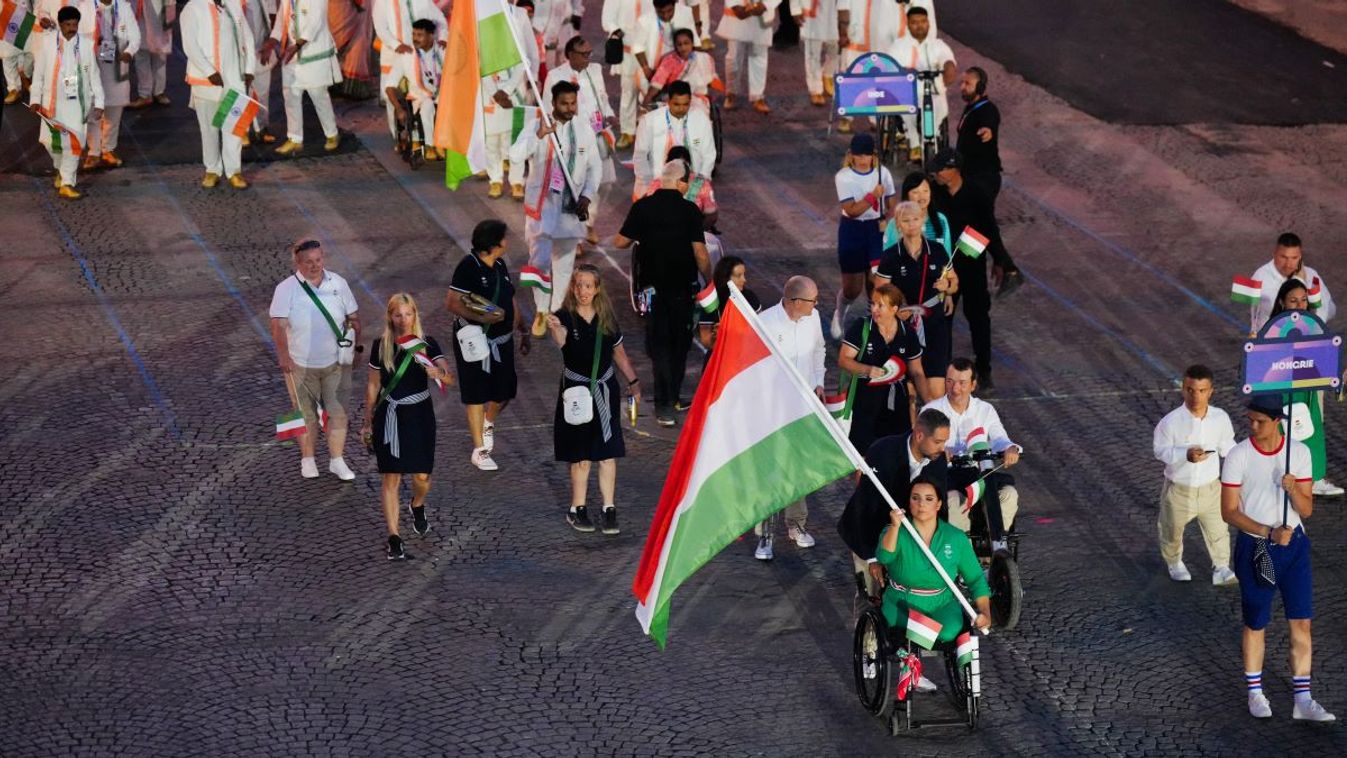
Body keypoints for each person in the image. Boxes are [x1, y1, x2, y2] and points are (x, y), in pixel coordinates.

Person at [1220, 396, 1333, 722]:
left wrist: (1293, 490)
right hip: (1255, 548)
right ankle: (1255, 692)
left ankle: (1303, 699)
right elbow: (1229, 511)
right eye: (1250, 420)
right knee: (1256, 623)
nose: (1253, 427)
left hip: (1294, 548)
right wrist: (1268, 532)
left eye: (1260, 422)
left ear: (1277, 422)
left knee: (1302, 622)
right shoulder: (1238, 455)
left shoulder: (1298, 453)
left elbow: (1307, 509)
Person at [614, 158, 712, 426]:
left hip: (649, 291)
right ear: (681, 183)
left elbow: (619, 241)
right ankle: (673, 399)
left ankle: (663, 405)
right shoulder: (690, 211)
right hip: (681, 289)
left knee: (658, 345)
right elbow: (700, 253)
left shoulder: (642, 207)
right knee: (678, 344)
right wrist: (710, 279)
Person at [546, 264, 642, 534]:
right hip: (576, 394)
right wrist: (553, 327)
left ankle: (608, 509)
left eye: (588, 285)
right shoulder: (563, 317)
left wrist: (633, 381)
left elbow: (620, 354)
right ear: (573, 288)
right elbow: (562, 341)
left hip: (604, 392)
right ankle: (577, 508)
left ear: (597, 289)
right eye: (578, 285)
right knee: (581, 455)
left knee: (607, 453)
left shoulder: (607, 318)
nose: (583, 291)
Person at [360, 293, 454, 561]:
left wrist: (439, 374)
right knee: (391, 477)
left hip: (420, 415)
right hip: (389, 416)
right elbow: (373, 385)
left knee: (422, 477)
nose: (403, 320)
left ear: (415, 314)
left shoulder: (428, 344)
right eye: (397, 315)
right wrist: (367, 422)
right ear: (390, 317)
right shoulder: (381, 345)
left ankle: (417, 504)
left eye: (408, 314)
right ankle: (394, 538)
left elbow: (450, 377)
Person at [514, 80, 603, 336]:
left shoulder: (583, 129)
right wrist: (538, 137)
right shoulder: (536, 126)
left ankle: (554, 310)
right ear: (553, 103)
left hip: (570, 211)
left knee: (564, 264)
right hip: (542, 209)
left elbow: (593, 167)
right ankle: (541, 310)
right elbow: (516, 155)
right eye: (564, 103)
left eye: (573, 103)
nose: (569, 108)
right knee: (539, 262)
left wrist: (586, 196)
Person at [269, 238, 362, 481]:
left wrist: (356, 348)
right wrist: (283, 355)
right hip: (300, 363)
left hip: (335, 362)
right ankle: (307, 459)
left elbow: (353, 317)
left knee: (338, 412)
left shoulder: (338, 284)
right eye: (308, 262)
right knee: (304, 413)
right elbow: (278, 326)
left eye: (318, 260)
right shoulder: (286, 289)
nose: (315, 265)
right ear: (297, 263)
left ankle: (337, 460)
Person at [929, 147, 1020, 389]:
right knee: (942, 319)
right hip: (944, 268)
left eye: (939, 170)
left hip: (971, 265)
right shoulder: (935, 192)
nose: (935, 174)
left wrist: (1002, 261)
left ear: (954, 171)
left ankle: (984, 368)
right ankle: (942, 370)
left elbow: (990, 229)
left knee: (979, 317)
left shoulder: (976, 194)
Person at [446, 219, 532, 471]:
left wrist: (522, 328)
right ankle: (480, 451)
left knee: (504, 391)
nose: (508, 240)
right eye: (504, 237)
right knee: (476, 393)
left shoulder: (500, 264)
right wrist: (486, 317)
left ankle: (488, 421)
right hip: (474, 341)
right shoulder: (468, 267)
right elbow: (452, 303)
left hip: (501, 341)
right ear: (494, 243)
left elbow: (509, 298)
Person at [751, 276, 826, 560]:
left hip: (803, 410)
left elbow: (819, 349)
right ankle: (765, 535)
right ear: (795, 302)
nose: (816, 305)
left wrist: (818, 379)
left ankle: (796, 526)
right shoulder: (766, 324)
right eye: (812, 300)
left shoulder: (814, 318)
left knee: (799, 470)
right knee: (771, 472)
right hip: (773, 412)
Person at [837, 408, 949, 596]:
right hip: (868, 530)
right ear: (920, 435)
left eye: (945, 441)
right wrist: (872, 557)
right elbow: (866, 507)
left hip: (904, 533)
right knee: (871, 594)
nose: (943, 448)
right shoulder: (882, 452)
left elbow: (940, 506)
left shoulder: (938, 460)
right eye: (938, 442)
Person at [876, 477, 992, 647]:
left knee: (949, 632)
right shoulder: (895, 531)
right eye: (915, 498)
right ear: (909, 503)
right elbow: (884, 557)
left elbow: (975, 578)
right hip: (901, 602)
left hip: (941, 602)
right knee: (897, 630)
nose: (921, 504)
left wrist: (985, 613)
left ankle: (916, 641)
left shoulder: (956, 537)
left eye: (929, 499)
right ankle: (912, 656)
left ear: (938, 504)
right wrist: (894, 527)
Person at [1152, 363, 1237, 584]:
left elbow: (1228, 446)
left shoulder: (1221, 418)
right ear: (1183, 389)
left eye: (1201, 390)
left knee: (1219, 530)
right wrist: (1185, 455)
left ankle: (1221, 567)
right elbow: (1160, 451)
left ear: (1211, 391)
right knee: (1172, 529)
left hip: (1211, 488)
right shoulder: (1170, 422)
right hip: (1179, 489)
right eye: (1190, 390)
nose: (1196, 396)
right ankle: (1174, 562)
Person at [924, 357, 1021, 546]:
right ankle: (963, 552)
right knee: (952, 500)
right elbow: (921, 447)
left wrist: (1010, 448)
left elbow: (1000, 439)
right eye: (950, 382)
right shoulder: (931, 410)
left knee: (1009, 494)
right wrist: (939, 452)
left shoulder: (985, 410)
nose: (955, 389)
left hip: (979, 475)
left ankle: (997, 547)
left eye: (962, 383)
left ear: (973, 385)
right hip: (946, 477)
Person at [874, 200, 955, 400]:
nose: (912, 224)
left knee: (935, 392)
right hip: (902, 327)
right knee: (907, 393)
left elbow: (953, 280)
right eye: (906, 220)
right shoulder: (891, 256)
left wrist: (948, 288)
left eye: (916, 219)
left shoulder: (936, 250)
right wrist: (896, 310)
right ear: (898, 225)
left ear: (923, 221)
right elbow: (879, 291)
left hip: (934, 325)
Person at [1266, 279, 1339, 497]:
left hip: (1306, 390)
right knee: (1281, 434)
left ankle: (1314, 478)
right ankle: (1280, 477)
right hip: (1281, 392)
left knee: (1313, 430)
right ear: (1282, 302)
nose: (1300, 306)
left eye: (1304, 300)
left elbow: (1324, 356)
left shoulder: (1311, 326)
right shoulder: (1272, 329)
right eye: (1294, 301)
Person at [545, 35, 619, 240]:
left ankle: (588, 223)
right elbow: (548, 109)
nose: (588, 57)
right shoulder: (555, 76)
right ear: (570, 55)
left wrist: (610, 112)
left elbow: (602, 99)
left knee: (605, 182)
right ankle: (574, 234)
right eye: (583, 54)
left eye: (589, 53)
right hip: (572, 138)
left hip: (597, 135)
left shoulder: (594, 70)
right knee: (573, 185)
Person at [838, 283, 926, 452]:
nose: (874, 309)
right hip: (865, 401)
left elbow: (917, 372)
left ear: (894, 309)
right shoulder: (862, 327)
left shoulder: (907, 332)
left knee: (896, 451)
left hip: (897, 403)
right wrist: (867, 370)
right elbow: (844, 360)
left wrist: (930, 403)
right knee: (863, 455)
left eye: (880, 305)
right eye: (873, 304)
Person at [29, 6, 103, 200]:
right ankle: (60, 171)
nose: (72, 28)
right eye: (68, 24)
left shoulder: (86, 45)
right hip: (53, 103)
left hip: (78, 104)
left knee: (75, 143)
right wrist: (35, 99)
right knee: (51, 143)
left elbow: (94, 75)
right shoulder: (46, 44)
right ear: (60, 24)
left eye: (75, 24)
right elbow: (38, 75)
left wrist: (100, 103)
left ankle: (67, 182)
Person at [181, 0, 256, 189]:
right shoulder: (192, 8)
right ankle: (212, 170)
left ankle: (234, 171)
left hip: (235, 79)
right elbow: (190, 46)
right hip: (207, 82)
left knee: (234, 129)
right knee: (209, 130)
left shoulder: (233, 4)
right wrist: (209, 72)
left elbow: (248, 37)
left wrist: (249, 69)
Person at [830, 132, 895, 339]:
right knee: (852, 288)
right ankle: (840, 312)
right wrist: (872, 196)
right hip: (853, 230)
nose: (863, 160)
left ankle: (873, 322)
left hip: (875, 229)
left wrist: (887, 218)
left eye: (867, 155)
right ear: (852, 155)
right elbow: (852, 209)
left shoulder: (882, 173)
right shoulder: (843, 177)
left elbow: (891, 199)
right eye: (859, 155)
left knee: (875, 280)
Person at [834, 0, 932, 132]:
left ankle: (877, 118)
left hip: (884, 41)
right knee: (853, 76)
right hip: (857, 38)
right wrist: (843, 31)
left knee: (882, 78)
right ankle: (846, 117)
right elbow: (843, 6)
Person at [263, 0, 342, 155]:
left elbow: (315, 22)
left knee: (318, 94)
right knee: (291, 95)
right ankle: (294, 138)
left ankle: (332, 134)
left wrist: (297, 45)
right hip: (291, 54)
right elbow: (281, 20)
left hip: (313, 52)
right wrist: (272, 41)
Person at [372, 0, 446, 145]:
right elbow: (380, 27)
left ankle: (430, 136)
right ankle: (400, 136)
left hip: (424, 54)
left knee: (427, 93)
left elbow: (440, 20)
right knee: (393, 97)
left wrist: (443, 38)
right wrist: (396, 45)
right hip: (394, 54)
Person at [887, 5, 953, 163]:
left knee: (940, 108)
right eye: (915, 22)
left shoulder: (937, 44)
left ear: (928, 23)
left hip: (933, 90)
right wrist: (903, 71)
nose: (919, 25)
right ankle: (915, 143)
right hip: (908, 90)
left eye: (923, 21)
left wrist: (949, 67)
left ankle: (932, 138)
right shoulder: (898, 45)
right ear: (908, 24)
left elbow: (947, 59)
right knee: (906, 108)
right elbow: (892, 66)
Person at [630, 80, 715, 199]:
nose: (681, 109)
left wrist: (699, 181)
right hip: (655, 185)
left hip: (690, 187)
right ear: (668, 102)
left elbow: (708, 153)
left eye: (685, 104)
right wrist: (650, 185)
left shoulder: (701, 120)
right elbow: (640, 156)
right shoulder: (649, 121)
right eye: (676, 104)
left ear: (690, 102)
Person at [82, 0, 138, 171]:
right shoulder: (84, 7)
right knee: (93, 110)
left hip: (116, 64)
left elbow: (135, 36)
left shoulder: (123, 7)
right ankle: (94, 151)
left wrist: (129, 51)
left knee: (114, 110)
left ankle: (109, 149)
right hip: (91, 64)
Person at [1248, 232, 1335, 335]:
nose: (1288, 264)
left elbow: (1328, 309)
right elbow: (1279, 312)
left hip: (1305, 338)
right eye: (1283, 257)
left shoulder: (1312, 275)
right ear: (1274, 254)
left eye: (1294, 258)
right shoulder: (1260, 277)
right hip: (1270, 340)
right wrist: (1300, 281)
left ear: (1300, 257)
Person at [383, 18, 444, 160]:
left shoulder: (442, 51)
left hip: (443, 95)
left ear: (431, 36)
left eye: (420, 35)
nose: (415, 39)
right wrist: (398, 108)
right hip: (420, 98)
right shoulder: (407, 55)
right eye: (414, 34)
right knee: (428, 104)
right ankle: (430, 146)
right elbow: (389, 86)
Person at [600, 0, 655, 148]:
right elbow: (607, 19)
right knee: (628, 91)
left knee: (650, 90)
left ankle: (649, 131)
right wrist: (617, 30)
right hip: (627, 50)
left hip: (649, 49)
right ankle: (628, 131)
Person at [480, 39, 527, 198]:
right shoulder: (485, 44)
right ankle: (495, 180)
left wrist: (506, 91)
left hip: (512, 98)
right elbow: (483, 71)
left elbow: (521, 67)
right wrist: (496, 94)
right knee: (492, 143)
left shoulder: (514, 43)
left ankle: (517, 182)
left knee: (515, 143)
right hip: (490, 99)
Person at [716, 0, 776, 113]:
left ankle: (757, 96)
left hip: (762, 17)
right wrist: (734, 5)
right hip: (738, 15)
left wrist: (765, 5)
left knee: (758, 57)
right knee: (734, 58)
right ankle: (731, 92)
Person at [642, 27, 719, 113]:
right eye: (679, 44)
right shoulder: (669, 61)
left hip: (698, 98)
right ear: (675, 46)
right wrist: (645, 105)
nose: (683, 47)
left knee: (697, 112)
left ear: (692, 43)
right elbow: (656, 85)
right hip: (674, 98)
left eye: (686, 43)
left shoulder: (704, 58)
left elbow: (711, 82)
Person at [955, 66, 1001, 205]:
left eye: (967, 84)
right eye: (962, 83)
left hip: (982, 178)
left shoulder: (988, 110)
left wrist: (987, 130)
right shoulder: (970, 107)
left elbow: (989, 123)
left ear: (980, 88)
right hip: (969, 175)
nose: (962, 87)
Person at [697, 254, 758, 350]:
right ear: (726, 278)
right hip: (719, 356)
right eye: (738, 276)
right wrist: (715, 338)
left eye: (744, 275)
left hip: (745, 354)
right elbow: (706, 342)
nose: (744, 280)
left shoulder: (750, 298)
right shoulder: (712, 300)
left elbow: (760, 336)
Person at [240, 0, 279, 144]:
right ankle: (240, 131)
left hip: (260, 49)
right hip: (239, 51)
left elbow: (273, 16)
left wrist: (268, 45)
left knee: (262, 92)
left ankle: (262, 129)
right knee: (239, 92)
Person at [129, 0, 171, 107]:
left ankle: (159, 92)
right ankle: (144, 94)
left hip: (158, 15)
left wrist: (170, 15)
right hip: (137, 13)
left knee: (160, 56)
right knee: (141, 55)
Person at [794, 0, 836, 107]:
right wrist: (795, 9)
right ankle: (815, 89)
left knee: (836, 48)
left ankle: (827, 75)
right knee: (813, 54)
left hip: (833, 12)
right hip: (812, 13)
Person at [1, 0, 35, 105]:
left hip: (24, 12)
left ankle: (26, 77)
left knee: (31, 51)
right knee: (7, 55)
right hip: (5, 12)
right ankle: (14, 88)